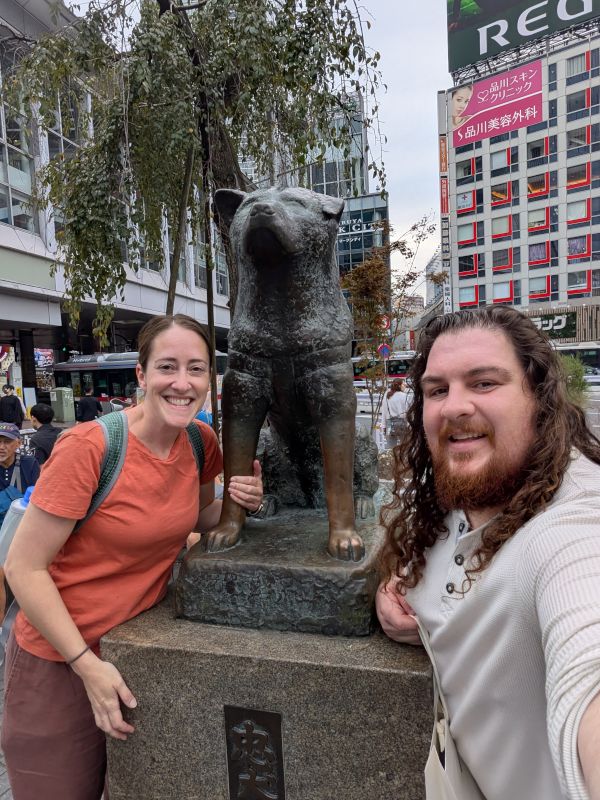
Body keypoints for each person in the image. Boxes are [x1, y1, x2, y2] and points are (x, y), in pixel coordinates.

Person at [2, 313, 264, 800]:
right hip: (59, 661)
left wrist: (238, 499)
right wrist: (86, 664)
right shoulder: (89, 449)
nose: (182, 384)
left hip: (136, 651)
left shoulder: (198, 441)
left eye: (197, 369)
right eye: (168, 367)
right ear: (142, 375)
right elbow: (23, 567)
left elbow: (196, 516)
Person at [376, 306, 600, 800]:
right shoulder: (457, 499)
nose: (454, 406)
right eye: (437, 389)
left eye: (483, 383)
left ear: (538, 398)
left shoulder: (575, 523)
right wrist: (399, 601)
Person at [0, 422, 40, 623]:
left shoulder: (28, 463)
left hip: (24, 528)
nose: (1, 446)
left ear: (18, 443)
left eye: (7, 441)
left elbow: (36, 494)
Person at [380, 378, 410, 449]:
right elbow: (408, 412)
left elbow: (384, 411)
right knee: (404, 448)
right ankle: (401, 460)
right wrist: (410, 426)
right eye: (403, 384)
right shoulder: (405, 396)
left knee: (391, 449)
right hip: (402, 424)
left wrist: (383, 426)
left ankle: (393, 460)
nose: (405, 385)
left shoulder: (387, 395)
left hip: (389, 424)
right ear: (399, 385)